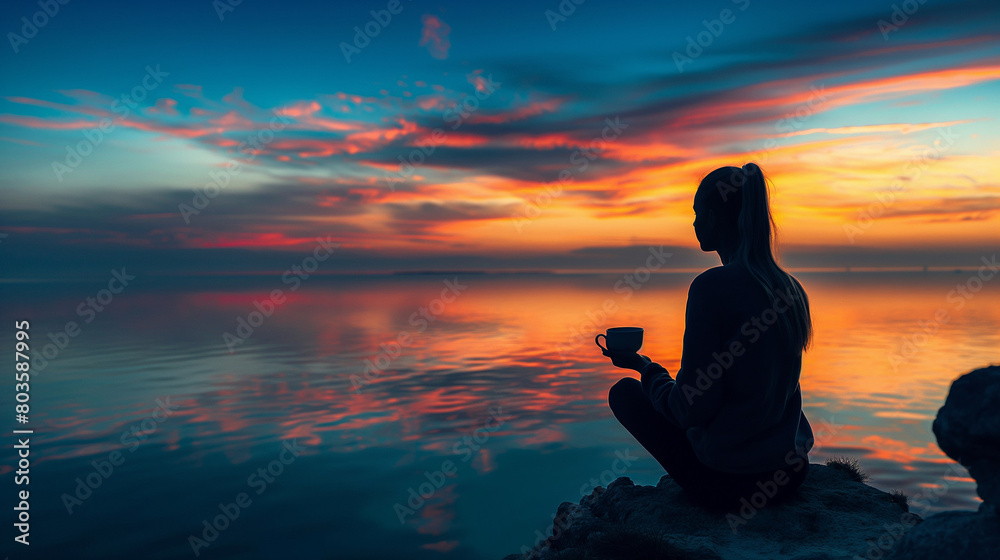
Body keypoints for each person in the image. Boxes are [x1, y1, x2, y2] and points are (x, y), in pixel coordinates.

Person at [603, 162, 815, 512]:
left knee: (625, 393)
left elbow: (691, 409)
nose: (694, 223)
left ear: (714, 218)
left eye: (697, 213)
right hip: (790, 474)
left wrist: (646, 369)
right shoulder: (792, 290)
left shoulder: (711, 288)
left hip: (732, 486)